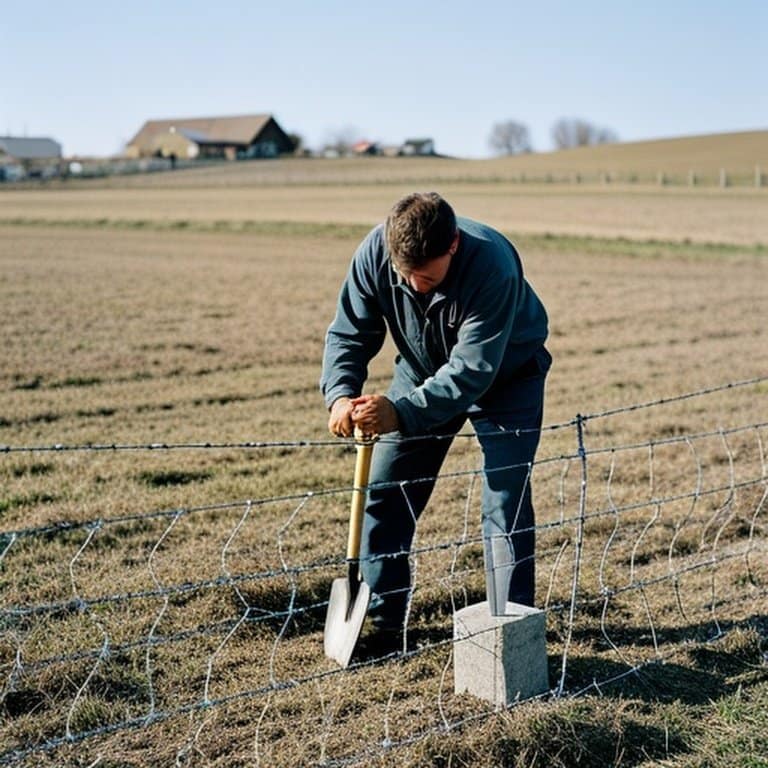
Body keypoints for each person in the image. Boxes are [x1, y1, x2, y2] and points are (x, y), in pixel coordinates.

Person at [320, 192, 550, 640]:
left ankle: (512, 628)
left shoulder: (492, 266)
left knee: (504, 501)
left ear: (453, 247)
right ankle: (385, 624)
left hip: (507, 378)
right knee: (386, 490)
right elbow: (350, 332)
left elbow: (471, 372)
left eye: (425, 277)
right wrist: (341, 396)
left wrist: (400, 412)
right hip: (422, 370)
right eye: (404, 275)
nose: (413, 286)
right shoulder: (376, 253)